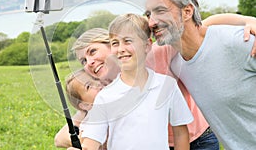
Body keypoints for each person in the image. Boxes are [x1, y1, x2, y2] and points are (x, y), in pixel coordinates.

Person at [144, 0, 256, 149]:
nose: (151, 22)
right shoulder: (176, 63)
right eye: (149, 14)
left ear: (187, 12)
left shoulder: (240, 42)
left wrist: (249, 21)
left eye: (160, 11)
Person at [78, 13, 193, 150]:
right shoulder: (105, 97)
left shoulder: (167, 85)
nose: (121, 49)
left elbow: (180, 133)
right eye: (115, 43)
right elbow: (91, 143)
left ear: (147, 45)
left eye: (128, 41)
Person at [54, 69, 105, 148]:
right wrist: (82, 140)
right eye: (88, 86)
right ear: (85, 105)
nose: (98, 84)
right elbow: (59, 139)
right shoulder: (91, 120)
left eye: (96, 79)